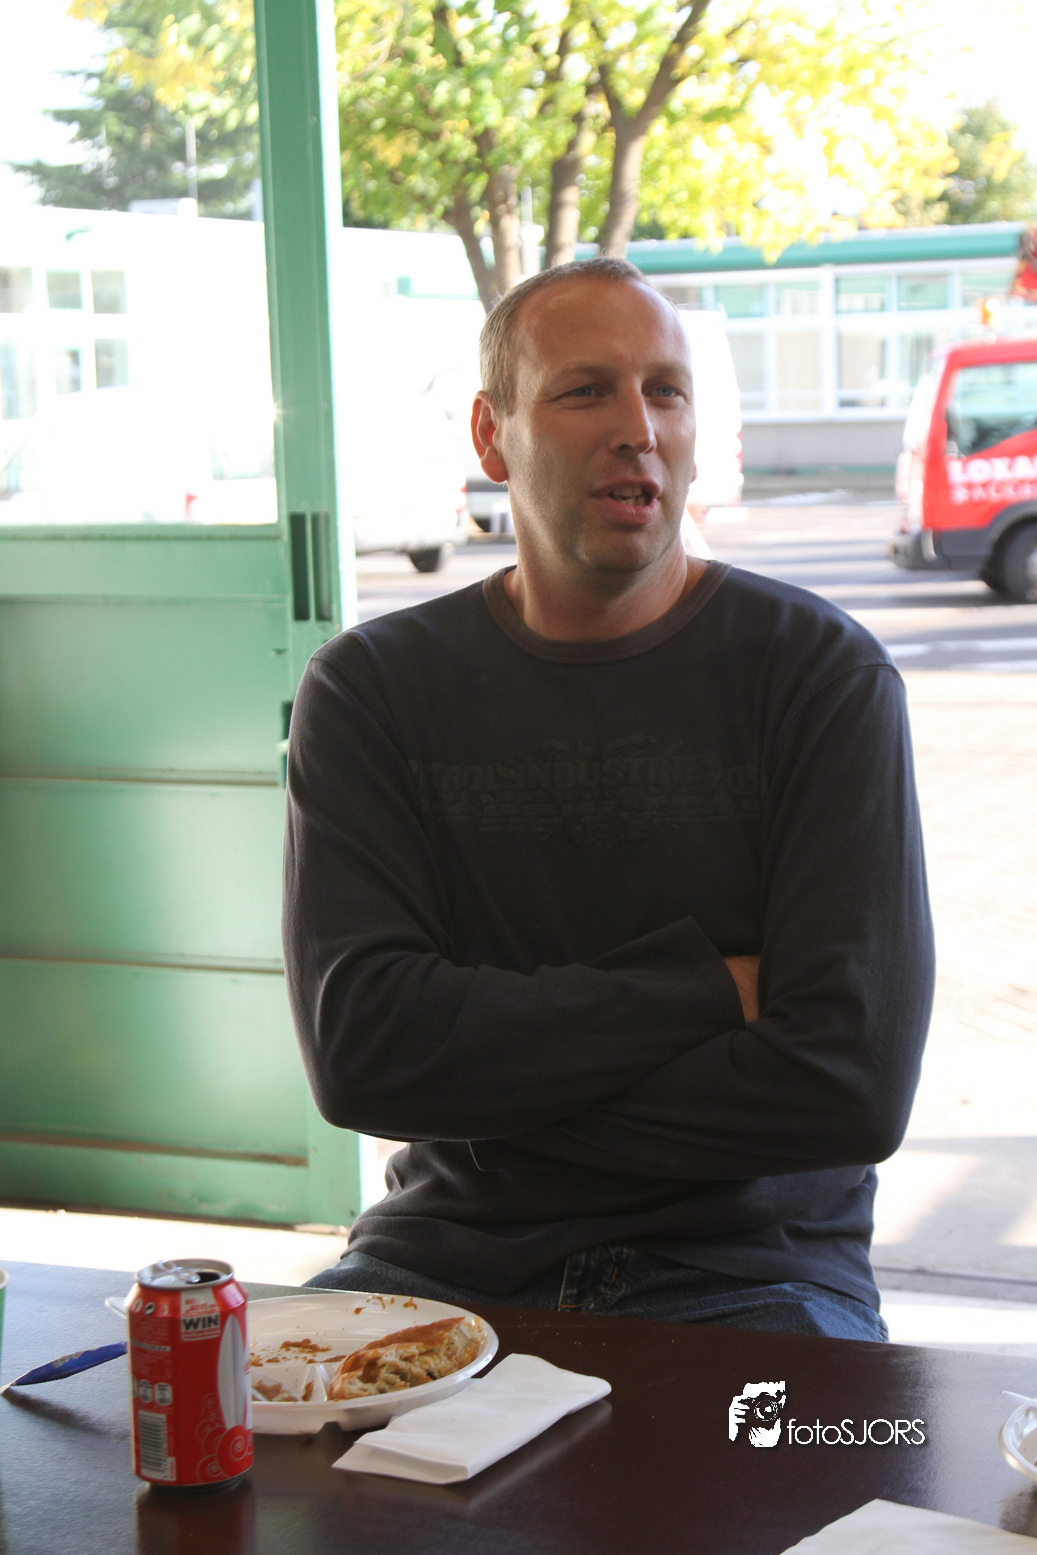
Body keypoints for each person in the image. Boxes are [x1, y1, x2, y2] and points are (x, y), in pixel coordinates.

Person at [282, 256, 934, 1340]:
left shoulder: (819, 675)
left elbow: (850, 1085)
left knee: (794, 1457)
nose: (638, 427)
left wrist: (492, 1100)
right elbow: (364, 1054)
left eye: (665, 391)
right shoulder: (372, 689)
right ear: (491, 435)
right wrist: (713, 988)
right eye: (585, 390)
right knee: (223, 1440)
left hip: (753, 1277)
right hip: (444, 1260)